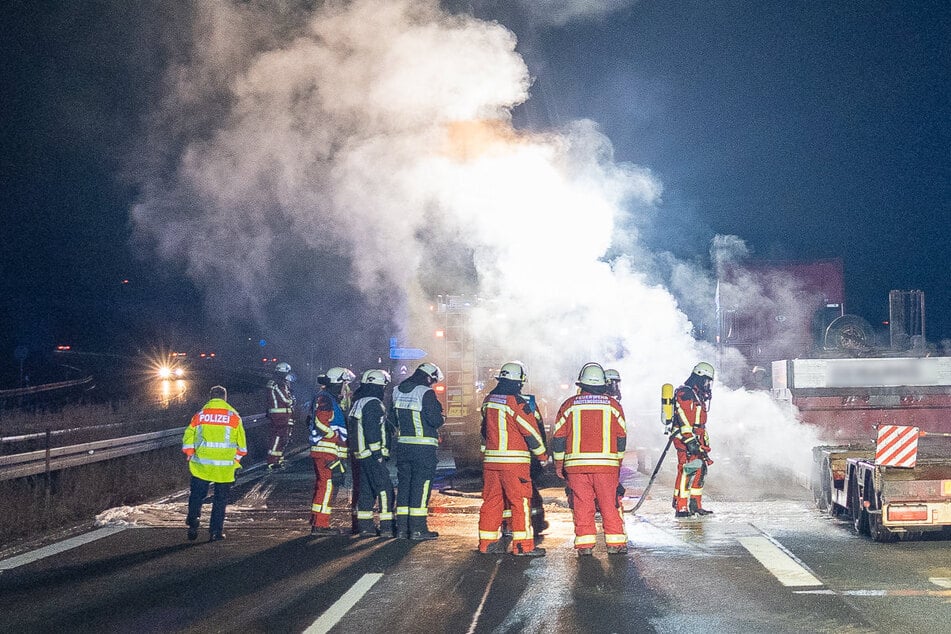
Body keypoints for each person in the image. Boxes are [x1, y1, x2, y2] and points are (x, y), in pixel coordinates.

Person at [552, 362, 628, 555]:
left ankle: (584, 546)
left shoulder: (568, 405)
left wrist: (559, 464)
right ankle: (615, 544)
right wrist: (618, 462)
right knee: (609, 504)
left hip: (576, 467)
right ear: (603, 383)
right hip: (606, 467)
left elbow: (558, 438)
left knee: (582, 504)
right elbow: (621, 437)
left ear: (582, 383)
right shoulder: (614, 406)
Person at [478, 362, 549, 557]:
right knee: (520, 503)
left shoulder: (489, 400)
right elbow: (531, 432)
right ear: (519, 381)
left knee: (491, 501)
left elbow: (484, 430)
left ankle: (486, 544)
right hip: (514, 463)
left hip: (491, 462)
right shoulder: (516, 402)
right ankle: (523, 546)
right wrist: (542, 455)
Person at [182, 385, 246, 542]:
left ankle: (193, 519)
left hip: (201, 465)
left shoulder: (200, 415)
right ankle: (215, 532)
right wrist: (235, 461)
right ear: (225, 398)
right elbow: (242, 447)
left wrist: (190, 453)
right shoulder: (234, 417)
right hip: (224, 468)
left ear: (210, 397)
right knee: (220, 499)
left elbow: (188, 436)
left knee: (197, 495)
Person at [389, 362, 444, 541]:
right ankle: (418, 529)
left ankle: (402, 529)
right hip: (423, 449)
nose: (432, 384)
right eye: (433, 381)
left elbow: (392, 420)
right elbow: (435, 420)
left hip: (403, 447)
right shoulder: (425, 392)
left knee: (404, 486)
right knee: (421, 486)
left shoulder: (396, 391)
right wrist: (442, 417)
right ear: (428, 377)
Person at [348, 369, 396, 537]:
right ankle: (387, 527)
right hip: (371, 455)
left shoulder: (359, 402)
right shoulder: (373, 403)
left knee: (366, 491)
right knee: (385, 489)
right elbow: (371, 430)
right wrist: (378, 453)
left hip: (361, 455)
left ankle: (365, 527)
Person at [308, 367, 354, 535]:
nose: (346, 388)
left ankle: (317, 521)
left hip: (327, 450)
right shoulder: (326, 399)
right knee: (327, 486)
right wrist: (333, 436)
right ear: (338, 383)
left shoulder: (327, 397)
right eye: (345, 384)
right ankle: (321, 525)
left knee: (324, 485)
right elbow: (320, 422)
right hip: (326, 450)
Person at [672, 362, 715, 518]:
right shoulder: (685, 393)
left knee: (700, 470)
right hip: (686, 439)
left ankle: (695, 504)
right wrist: (690, 441)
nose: (707, 385)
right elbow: (684, 419)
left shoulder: (697, 395)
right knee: (688, 470)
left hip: (696, 438)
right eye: (706, 381)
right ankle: (681, 506)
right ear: (699, 378)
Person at [265, 362, 296, 471]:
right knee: (278, 437)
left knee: (283, 438)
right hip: (279, 416)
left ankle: (278, 460)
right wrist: (292, 400)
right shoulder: (277, 384)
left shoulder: (279, 383)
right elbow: (285, 399)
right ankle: (272, 461)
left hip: (283, 415)